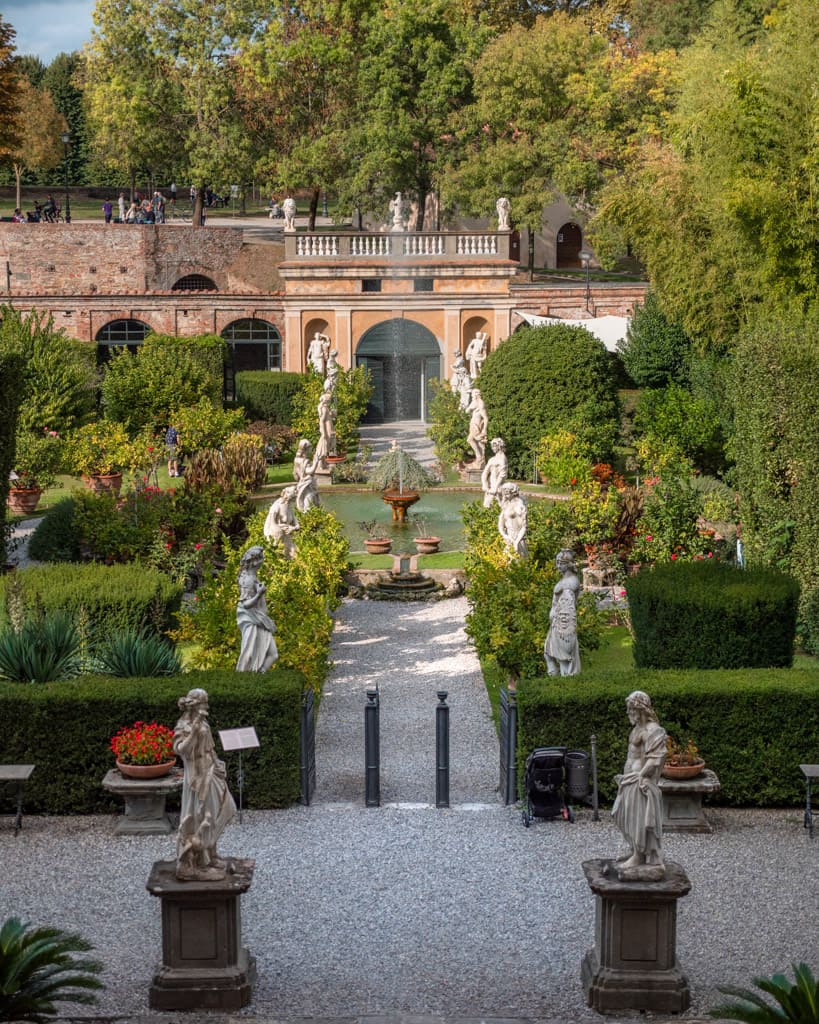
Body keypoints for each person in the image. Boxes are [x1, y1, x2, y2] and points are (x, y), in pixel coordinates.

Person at [173, 687, 237, 881]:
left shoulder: (204, 723)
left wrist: (217, 763)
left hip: (211, 771)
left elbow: (210, 748)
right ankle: (196, 862)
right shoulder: (184, 724)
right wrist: (193, 729)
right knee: (203, 816)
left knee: (225, 808)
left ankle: (211, 852)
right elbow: (181, 750)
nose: (207, 707)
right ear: (195, 705)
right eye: (204, 703)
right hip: (197, 777)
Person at [611, 691, 667, 872]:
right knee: (623, 815)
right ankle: (635, 849)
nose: (628, 713)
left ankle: (639, 855)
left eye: (630, 710)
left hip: (639, 781)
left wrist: (642, 775)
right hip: (629, 779)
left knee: (638, 819)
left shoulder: (653, 730)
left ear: (639, 709)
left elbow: (656, 758)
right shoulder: (636, 729)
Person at [235, 545, 278, 671]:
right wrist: (259, 594)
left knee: (273, 654)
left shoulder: (252, 577)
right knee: (249, 655)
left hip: (260, 620)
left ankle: (258, 677)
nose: (262, 561)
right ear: (254, 562)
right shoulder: (248, 580)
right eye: (260, 558)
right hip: (253, 621)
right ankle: (247, 679)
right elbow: (245, 604)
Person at [544, 549, 581, 677]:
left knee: (564, 660)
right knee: (548, 654)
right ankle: (557, 686)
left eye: (561, 563)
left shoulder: (572, 582)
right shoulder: (563, 582)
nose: (558, 566)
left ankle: (565, 685)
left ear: (569, 564)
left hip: (563, 627)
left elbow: (567, 604)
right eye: (557, 562)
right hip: (556, 624)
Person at [263, 486, 299, 558]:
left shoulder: (289, 507)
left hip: (288, 537)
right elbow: (272, 524)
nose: (293, 500)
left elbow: (297, 525)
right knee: (281, 556)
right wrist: (281, 528)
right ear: (287, 494)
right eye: (293, 497)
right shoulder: (276, 506)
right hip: (279, 537)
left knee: (296, 555)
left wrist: (293, 528)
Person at [497, 481, 528, 558]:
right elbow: (501, 525)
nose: (504, 495)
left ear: (513, 493)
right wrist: (505, 535)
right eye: (504, 493)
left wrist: (517, 541)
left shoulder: (519, 506)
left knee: (518, 563)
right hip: (509, 538)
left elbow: (524, 527)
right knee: (506, 564)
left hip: (518, 539)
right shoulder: (506, 505)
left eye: (507, 493)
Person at [293, 439, 321, 512]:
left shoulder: (296, 459)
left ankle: (305, 518)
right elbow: (309, 471)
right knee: (308, 502)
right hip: (307, 485)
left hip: (302, 483)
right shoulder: (305, 461)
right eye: (310, 448)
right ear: (306, 449)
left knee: (306, 502)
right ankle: (308, 520)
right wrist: (316, 462)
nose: (311, 450)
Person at [481, 437, 507, 508]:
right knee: (487, 507)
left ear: (499, 446)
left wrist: (495, 488)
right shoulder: (492, 459)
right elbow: (484, 473)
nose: (492, 448)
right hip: (490, 489)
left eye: (494, 446)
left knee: (498, 509)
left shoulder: (503, 459)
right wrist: (484, 484)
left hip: (498, 489)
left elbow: (502, 475)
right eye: (492, 446)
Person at [466, 388, 488, 469]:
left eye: (473, 394)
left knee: (470, 440)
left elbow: (485, 418)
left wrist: (484, 429)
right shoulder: (475, 402)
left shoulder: (480, 404)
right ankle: (480, 459)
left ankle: (479, 457)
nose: (472, 396)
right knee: (477, 442)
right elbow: (467, 411)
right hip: (473, 424)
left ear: (476, 394)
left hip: (477, 425)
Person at [315, 382, 336, 461]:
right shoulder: (324, 409)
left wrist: (332, 414)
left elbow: (328, 417)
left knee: (330, 443)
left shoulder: (326, 408)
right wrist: (324, 433)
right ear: (326, 401)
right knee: (325, 445)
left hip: (329, 429)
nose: (330, 402)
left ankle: (329, 457)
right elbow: (322, 421)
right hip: (327, 430)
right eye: (329, 401)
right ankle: (323, 458)